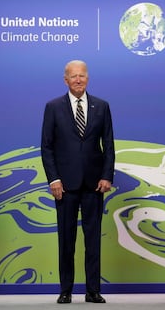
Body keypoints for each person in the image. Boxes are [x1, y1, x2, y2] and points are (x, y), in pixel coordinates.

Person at [41, 60, 115, 304]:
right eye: (73, 76)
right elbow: (47, 147)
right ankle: (66, 290)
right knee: (66, 240)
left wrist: (107, 176)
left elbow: (109, 145)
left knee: (93, 240)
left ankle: (93, 290)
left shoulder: (102, 106)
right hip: (65, 185)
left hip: (94, 184)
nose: (78, 79)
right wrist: (54, 178)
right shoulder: (53, 107)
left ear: (88, 78)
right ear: (66, 80)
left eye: (82, 75)